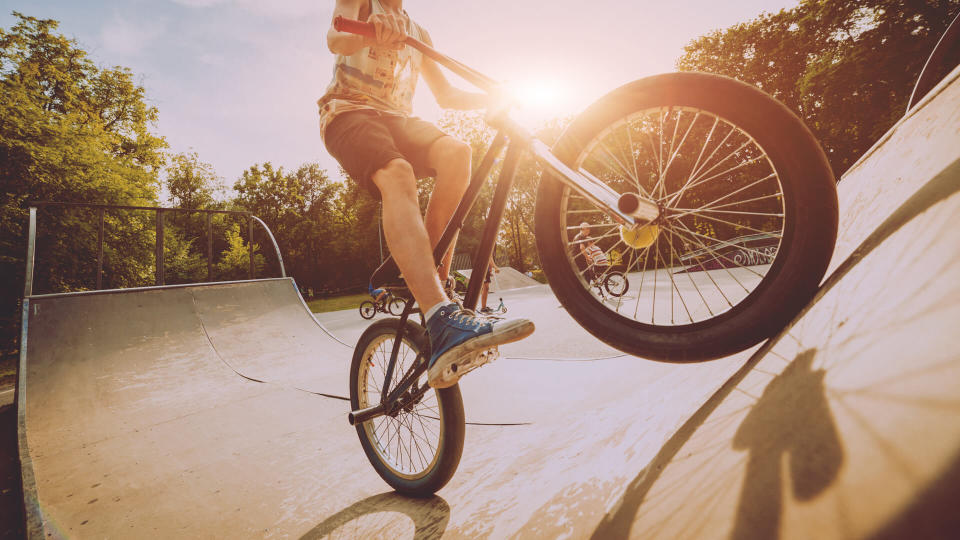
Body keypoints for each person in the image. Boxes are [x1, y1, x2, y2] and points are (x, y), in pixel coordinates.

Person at [320, 0, 534, 389]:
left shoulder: (419, 32)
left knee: (457, 153)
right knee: (397, 172)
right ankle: (438, 313)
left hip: (398, 120)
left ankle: (434, 283)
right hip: (349, 113)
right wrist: (367, 28)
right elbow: (337, 40)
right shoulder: (362, 3)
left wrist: (495, 96)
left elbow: (447, 96)